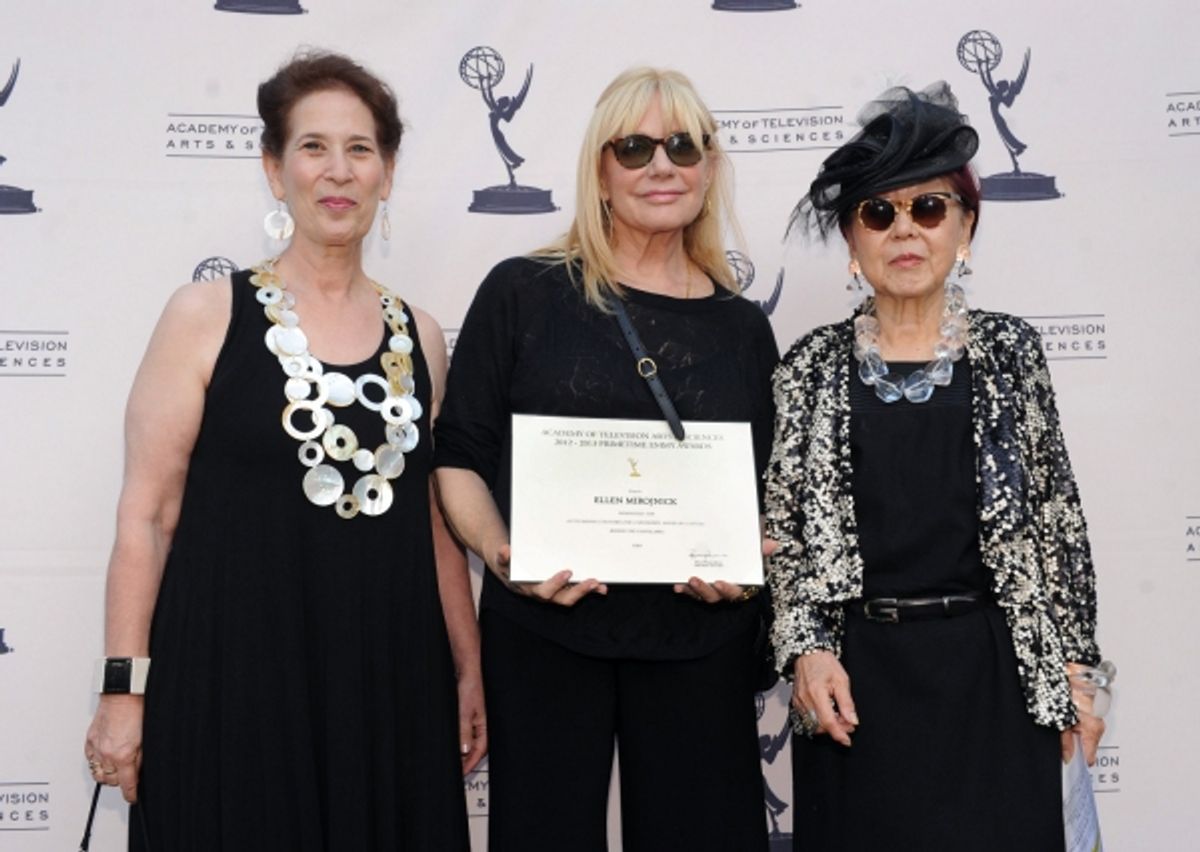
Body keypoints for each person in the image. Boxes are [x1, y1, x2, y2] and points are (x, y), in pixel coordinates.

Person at [83, 51, 483, 851]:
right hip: (230, 682)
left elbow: (433, 525)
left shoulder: (423, 336)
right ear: (274, 169)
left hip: (385, 685)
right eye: (312, 147)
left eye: (360, 148)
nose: (338, 171)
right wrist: (124, 690)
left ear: (387, 173)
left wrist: (468, 666)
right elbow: (147, 517)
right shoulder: (204, 316)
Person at [434, 67, 778, 852]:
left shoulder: (742, 329)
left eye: (683, 146)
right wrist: (501, 552)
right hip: (544, 635)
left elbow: (764, 489)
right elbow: (458, 456)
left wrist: (745, 563)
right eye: (634, 148)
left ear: (709, 168)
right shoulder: (522, 294)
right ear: (599, 170)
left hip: (702, 642)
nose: (662, 166)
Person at [764, 83, 1104, 851]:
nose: (905, 231)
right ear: (851, 240)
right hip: (855, 688)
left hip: (998, 678)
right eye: (878, 213)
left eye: (928, 208)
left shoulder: (1012, 351)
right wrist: (806, 648)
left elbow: (1057, 521)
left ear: (965, 226)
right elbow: (782, 536)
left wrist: (1079, 677)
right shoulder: (809, 367)